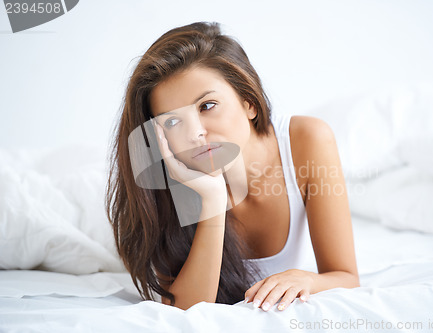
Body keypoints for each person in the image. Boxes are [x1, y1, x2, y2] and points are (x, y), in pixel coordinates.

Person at [105, 21, 359, 312]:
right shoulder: (167, 182)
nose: (195, 133)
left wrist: (305, 279)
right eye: (173, 122)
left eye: (207, 105)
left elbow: (347, 277)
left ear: (249, 102)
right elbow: (183, 310)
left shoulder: (307, 140)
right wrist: (211, 202)